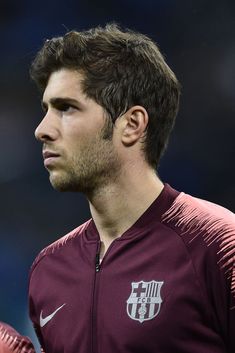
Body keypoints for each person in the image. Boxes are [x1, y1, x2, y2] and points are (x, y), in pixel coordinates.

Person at [28, 23, 235, 353]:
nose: (42, 130)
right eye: (46, 110)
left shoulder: (218, 245)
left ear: (132, 125)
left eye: (66, 108)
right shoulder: (48, 270)